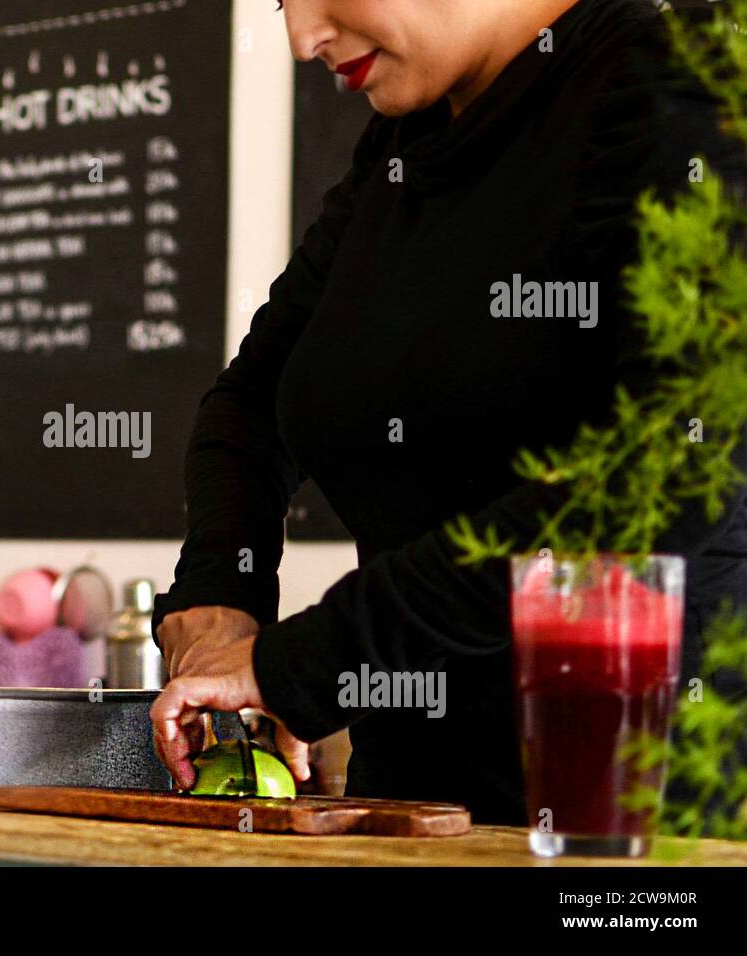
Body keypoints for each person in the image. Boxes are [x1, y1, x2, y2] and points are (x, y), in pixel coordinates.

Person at [149, 0, 747, 824]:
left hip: (638, 830)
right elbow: (249, 401)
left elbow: (662, 474)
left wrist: (312, 663)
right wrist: (222, 588)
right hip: (413, 819)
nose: (301, 37)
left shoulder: (686, 92)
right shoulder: (404, 147)